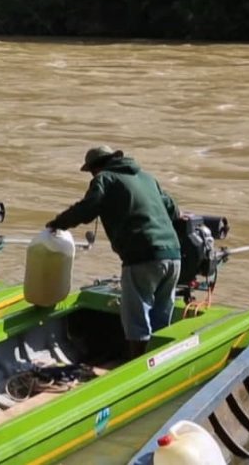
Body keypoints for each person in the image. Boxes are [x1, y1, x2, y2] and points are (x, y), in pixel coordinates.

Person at [46, 146, 181, 360]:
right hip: (174, 255)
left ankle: (136, 365)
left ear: (95, 168)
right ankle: (161, 361)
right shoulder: (147, 177)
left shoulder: (105, 179)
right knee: (161, 315)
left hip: (142, 256)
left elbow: (88, 207)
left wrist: (58, 223)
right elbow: (173, 210)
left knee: (136, 317)